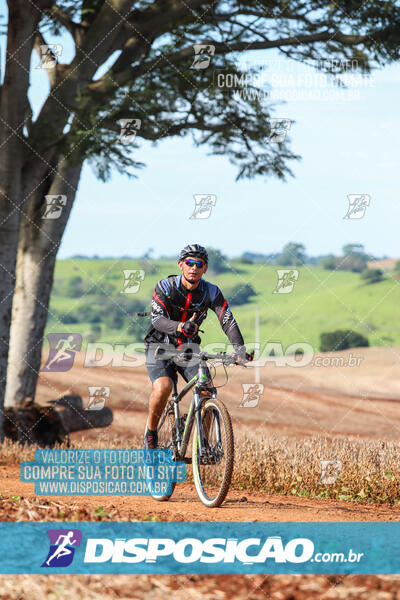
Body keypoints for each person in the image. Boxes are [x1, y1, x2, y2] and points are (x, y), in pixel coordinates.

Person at [143, 243, 248, 449]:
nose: (194, 268)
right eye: (189, 263)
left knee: (207, 389)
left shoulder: (211, 291)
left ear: (205, 268)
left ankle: (204, 445)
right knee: (164, 387)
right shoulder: (165, 287)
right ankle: (151, 432)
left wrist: (239, 349)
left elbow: (226, 319)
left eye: (199, 264)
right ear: (181, 264)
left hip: (188, 348)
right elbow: (157, 320)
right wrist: (181, 326)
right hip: (159, 346)